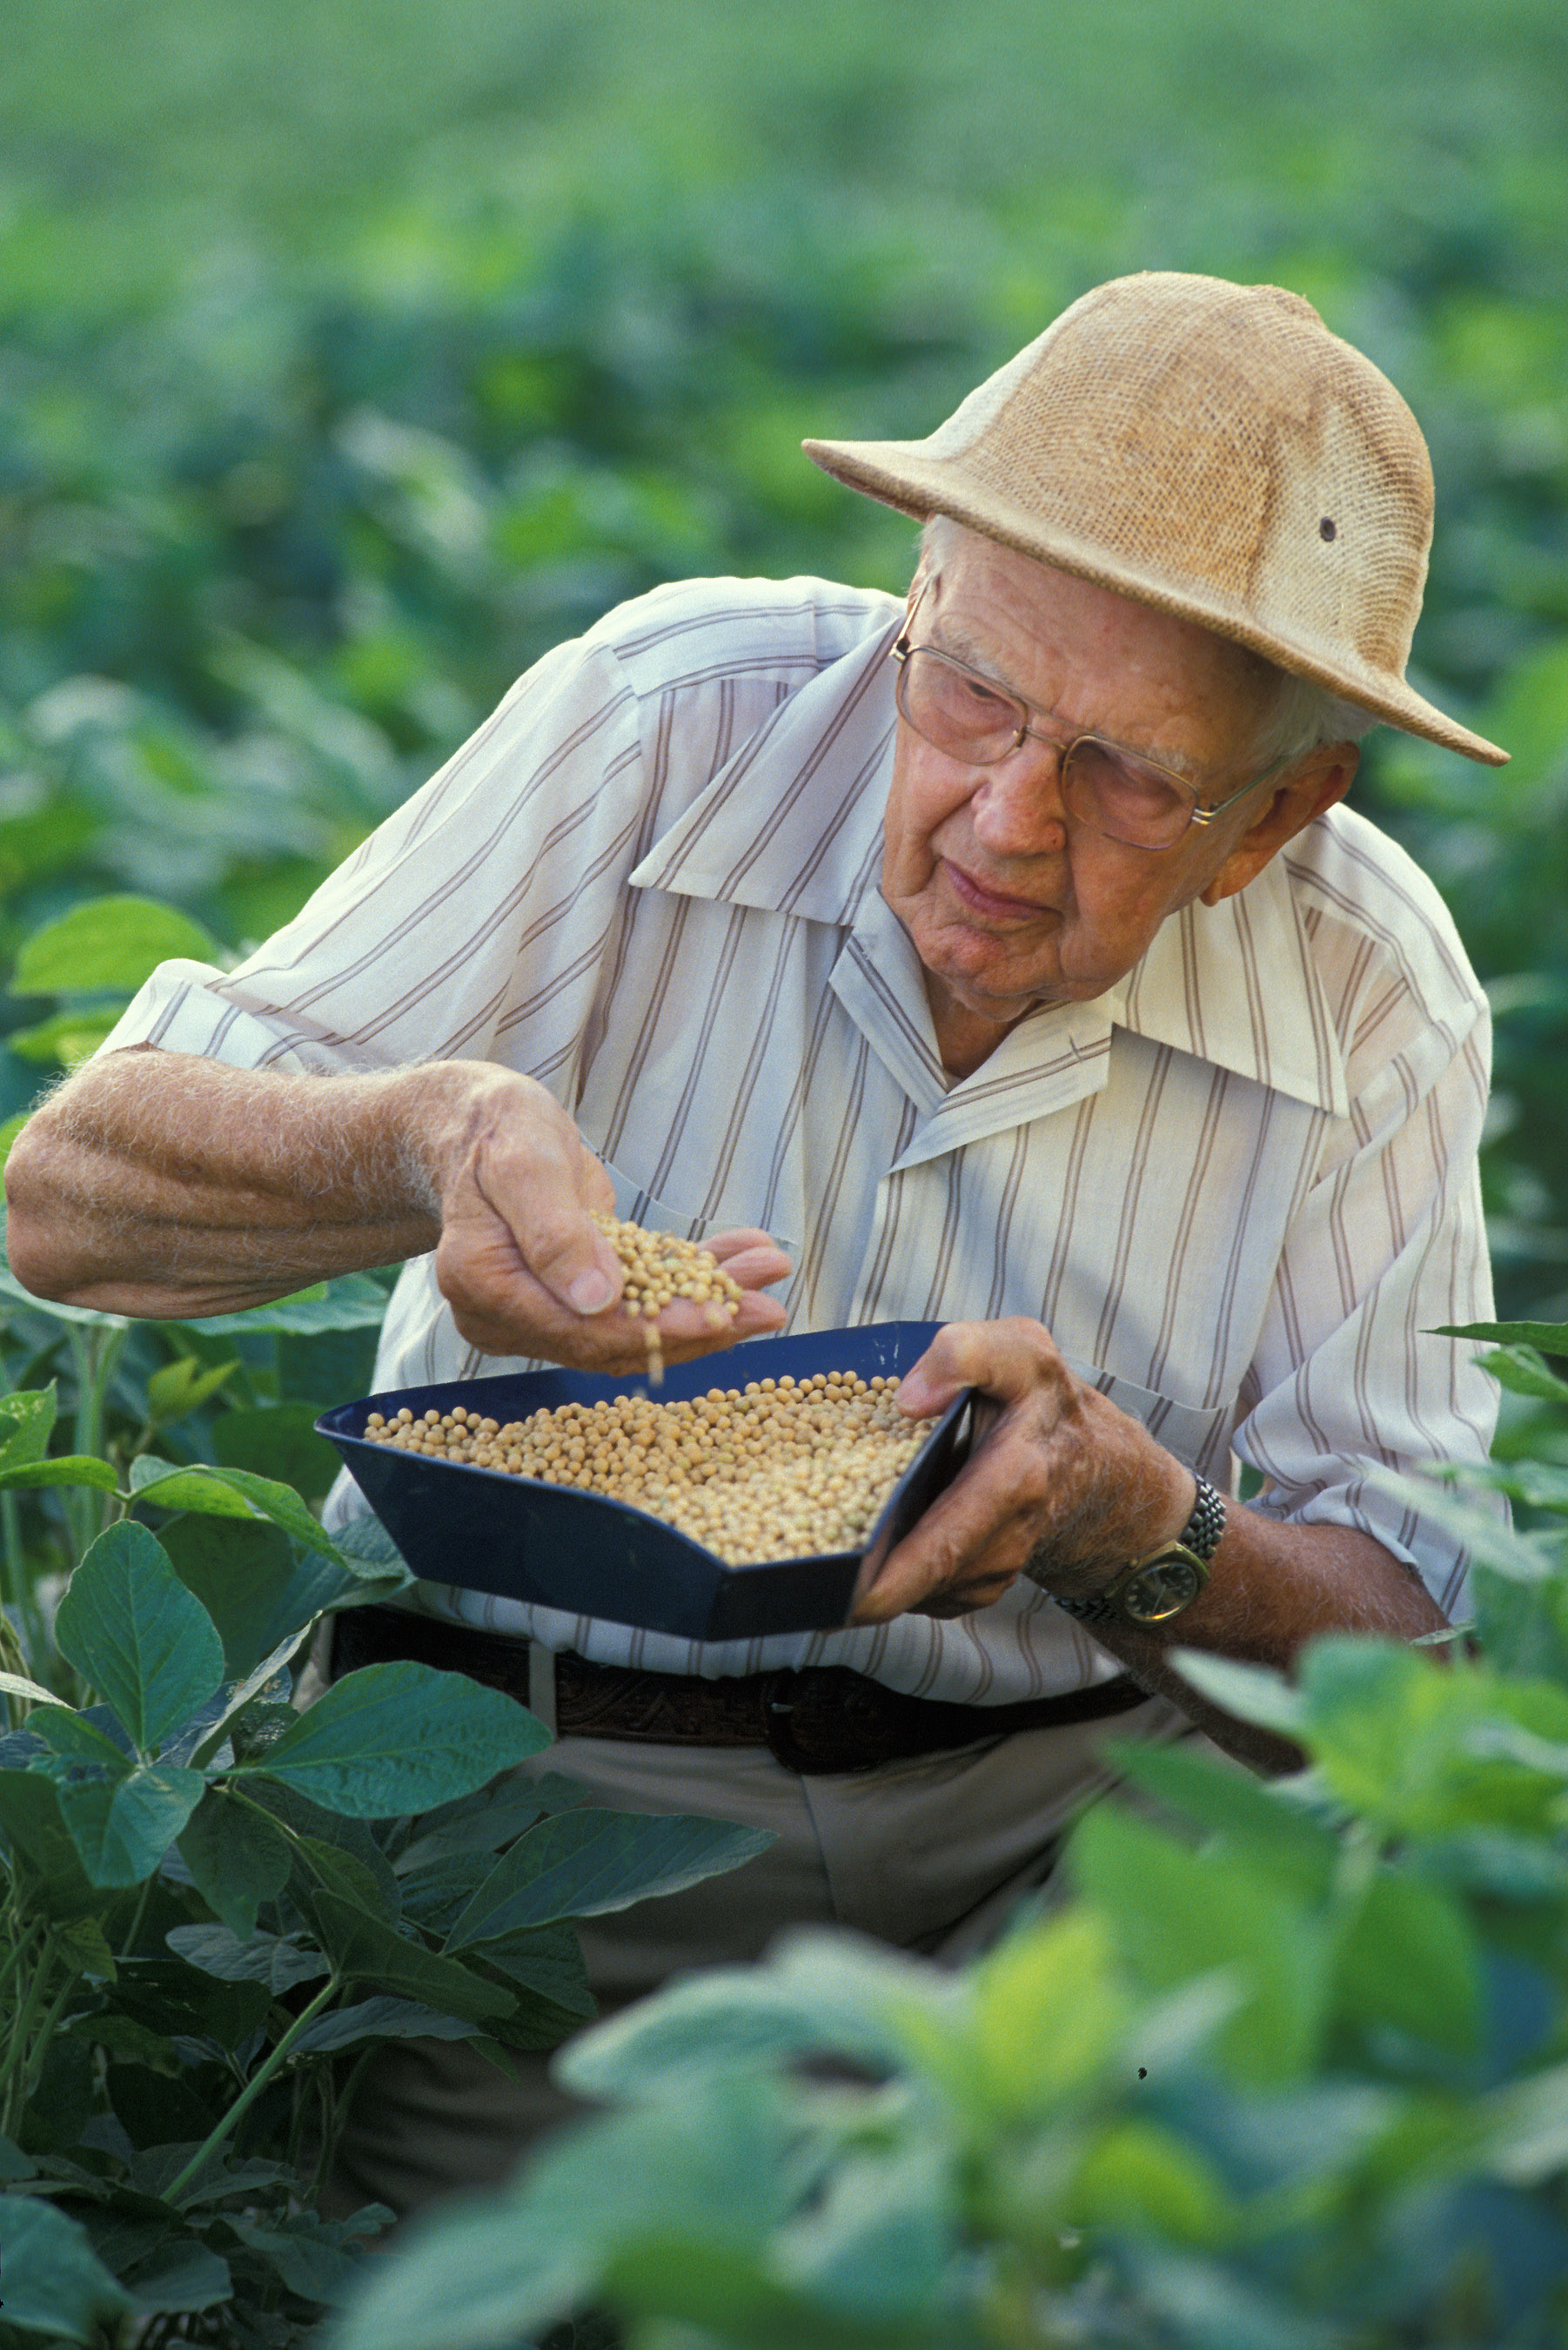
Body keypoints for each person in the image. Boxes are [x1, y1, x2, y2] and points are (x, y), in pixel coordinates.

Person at [3, 272, 1507, 2214]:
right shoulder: (661, 723)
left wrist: (1141, 1525)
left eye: (1127, 773)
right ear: (914, 609)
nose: (1005, 817)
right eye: (969, 690)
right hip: (548, 1803)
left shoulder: (1372, 988)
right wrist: (419, 1138)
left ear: (1273, 815)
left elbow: (1430, 1646)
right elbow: (66, 1200)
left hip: (1080, 1832)